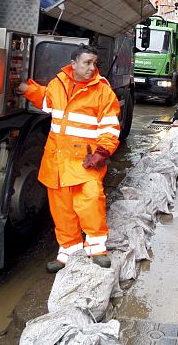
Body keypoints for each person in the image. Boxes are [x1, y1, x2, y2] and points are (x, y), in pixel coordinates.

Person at [18, 44, 121, 273]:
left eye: (94, 63)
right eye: (87, 63)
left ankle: (96, 249)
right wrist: (25, 87)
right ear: (73, 64)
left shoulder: (103, 91)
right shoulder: (59, 84)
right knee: (62, 211)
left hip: (85, 161)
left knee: (91, 202)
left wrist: (101, 153)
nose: (91, 68)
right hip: (57, 162)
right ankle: (68, 252)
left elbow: (110, 129)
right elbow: (45, 99)